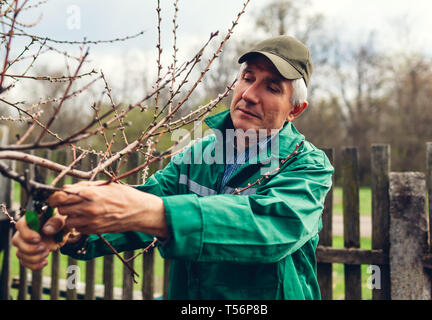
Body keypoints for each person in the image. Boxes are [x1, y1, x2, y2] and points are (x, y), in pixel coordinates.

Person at [12, 35, 334, 300]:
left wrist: (157, 214)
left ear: (296, 110)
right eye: (247, 78)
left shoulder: (307, 166)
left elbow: (267, 226)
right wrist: (60, 228)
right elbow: (137, 207)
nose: (249, 95)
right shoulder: (196, 156)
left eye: (272, 87)